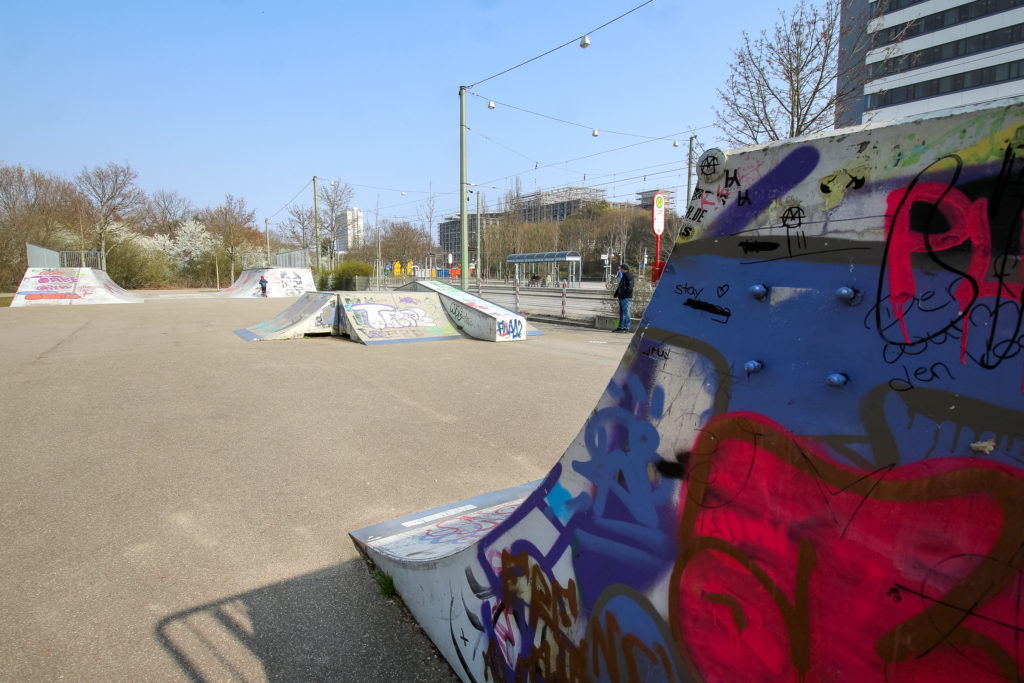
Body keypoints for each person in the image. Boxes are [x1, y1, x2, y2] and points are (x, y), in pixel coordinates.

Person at [613, 264, 634, 333]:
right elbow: (620, 286)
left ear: (624, 269)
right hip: (621, 297)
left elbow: (630, 288)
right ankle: (620, 327)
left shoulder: (629, 276)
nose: (620, 270)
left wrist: (625, 294)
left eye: (621, 269)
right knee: (622, 313)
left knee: (626, 313)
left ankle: (626, 328)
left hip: (626, 297)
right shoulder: (624, 276)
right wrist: (616, 294)